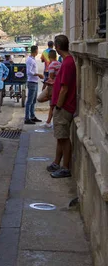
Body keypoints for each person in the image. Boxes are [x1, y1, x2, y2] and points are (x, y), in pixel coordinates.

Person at [47, 34, 77, 178]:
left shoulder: (67, 63)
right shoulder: (67, 61)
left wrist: (58, 106)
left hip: (64, 107)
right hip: (62, 105)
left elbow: (65, 88)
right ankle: (57, 162)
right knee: (60, 136)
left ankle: (65, 167)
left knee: (64, 137)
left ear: (57, 47)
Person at [24, 45, 44, 124]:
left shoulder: (33, 59)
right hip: (31, 82)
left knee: (33, 101)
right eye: (37, 50)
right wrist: (38, 74)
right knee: (29, 101)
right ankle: (27, 118)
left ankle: (32, 116)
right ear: (35, 51)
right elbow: (29, 72)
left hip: (34, 82)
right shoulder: (30, 60)